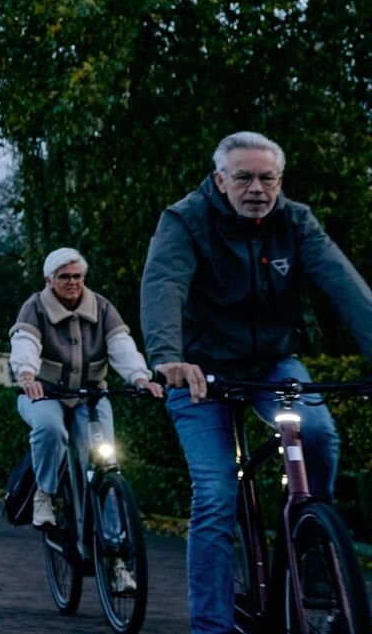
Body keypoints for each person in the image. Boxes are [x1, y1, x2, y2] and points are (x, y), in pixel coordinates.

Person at [142, 130, 372, 634]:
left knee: (315, 433)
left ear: (280, 180)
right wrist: (168, 358)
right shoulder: (184, 220)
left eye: (267, 178)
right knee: (216, 493)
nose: (256, 188)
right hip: (199, 371)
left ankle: (314, 543)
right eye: (243, 177)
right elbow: (164, 286)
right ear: (220, 180)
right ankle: (212, 627)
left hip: (272, 362)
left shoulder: (295, 220)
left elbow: (345, 286)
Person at [12, 247, 163, 540]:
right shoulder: (35, 307)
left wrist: (140, 378)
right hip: (44, 393)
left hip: (90, 395)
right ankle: (45, 493)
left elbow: (121, 346)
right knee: (50, 429)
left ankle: (116, 546)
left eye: (77, 276)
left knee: (106, 463)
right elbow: (25, 343)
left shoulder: (102, 307)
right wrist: (27, 374)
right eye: (64, 276)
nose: (72, 282)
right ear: (49, 279)